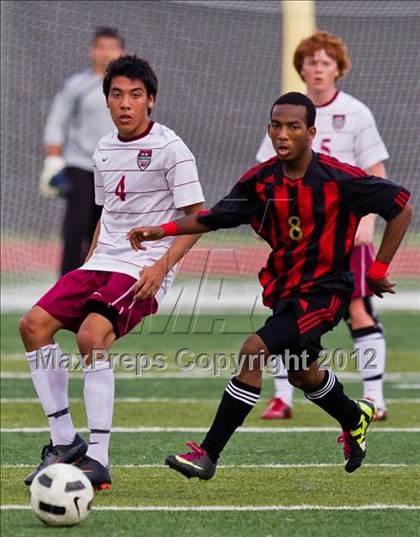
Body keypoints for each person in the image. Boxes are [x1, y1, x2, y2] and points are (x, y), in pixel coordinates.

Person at [127, 92, 411, 480]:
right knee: (301, 372)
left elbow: (400, 205)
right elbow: (215, 217)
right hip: (286, 291)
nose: (283, 134)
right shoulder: (261, 182)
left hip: (327, 292)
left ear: (311, 132)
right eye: (276, 125)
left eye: (293, 126)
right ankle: (354, 415)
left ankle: (208, 454)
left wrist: (378, 268)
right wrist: (164, 228)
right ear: (268, 129)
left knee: (254, 350)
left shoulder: (339, 179)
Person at [19, 55, 205, 490]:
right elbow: (108, 212)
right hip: (102, 262)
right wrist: (88, 262)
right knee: (33, 326)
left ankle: (98, 460)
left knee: (90, 336)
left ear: (151, 101)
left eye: (135, 95)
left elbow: (199, 216)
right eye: (117, 95)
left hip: (142, 266)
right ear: (107, 102)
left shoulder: (171, 148)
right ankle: (64, 441)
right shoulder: (103, 148)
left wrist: (161, 266)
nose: (126, 103)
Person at [257, 31, 391, 421]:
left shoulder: (356, 112)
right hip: (299, 236)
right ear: (301, 68)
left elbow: (375, 174)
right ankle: (282, 397)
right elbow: (267, 173)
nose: (318, 68)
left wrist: (366, 220)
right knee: (287, 312)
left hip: (344, 234)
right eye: (311, 62)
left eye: (325, 62)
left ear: (338, 69)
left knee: (359, 309)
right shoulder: (286, 114)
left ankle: (374, 398)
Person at [40, 27, 125, 276]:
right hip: (80, 165)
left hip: (116, 170)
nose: (106, 53)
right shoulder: (76, 85)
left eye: (112, 47)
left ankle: (97, 285)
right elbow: (57, 121)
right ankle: (64, 287)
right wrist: (53, 159)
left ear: (121, 51)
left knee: (103, 231)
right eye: (101, 47)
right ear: (92, 51)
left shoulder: (129, 88)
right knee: (75, 229)